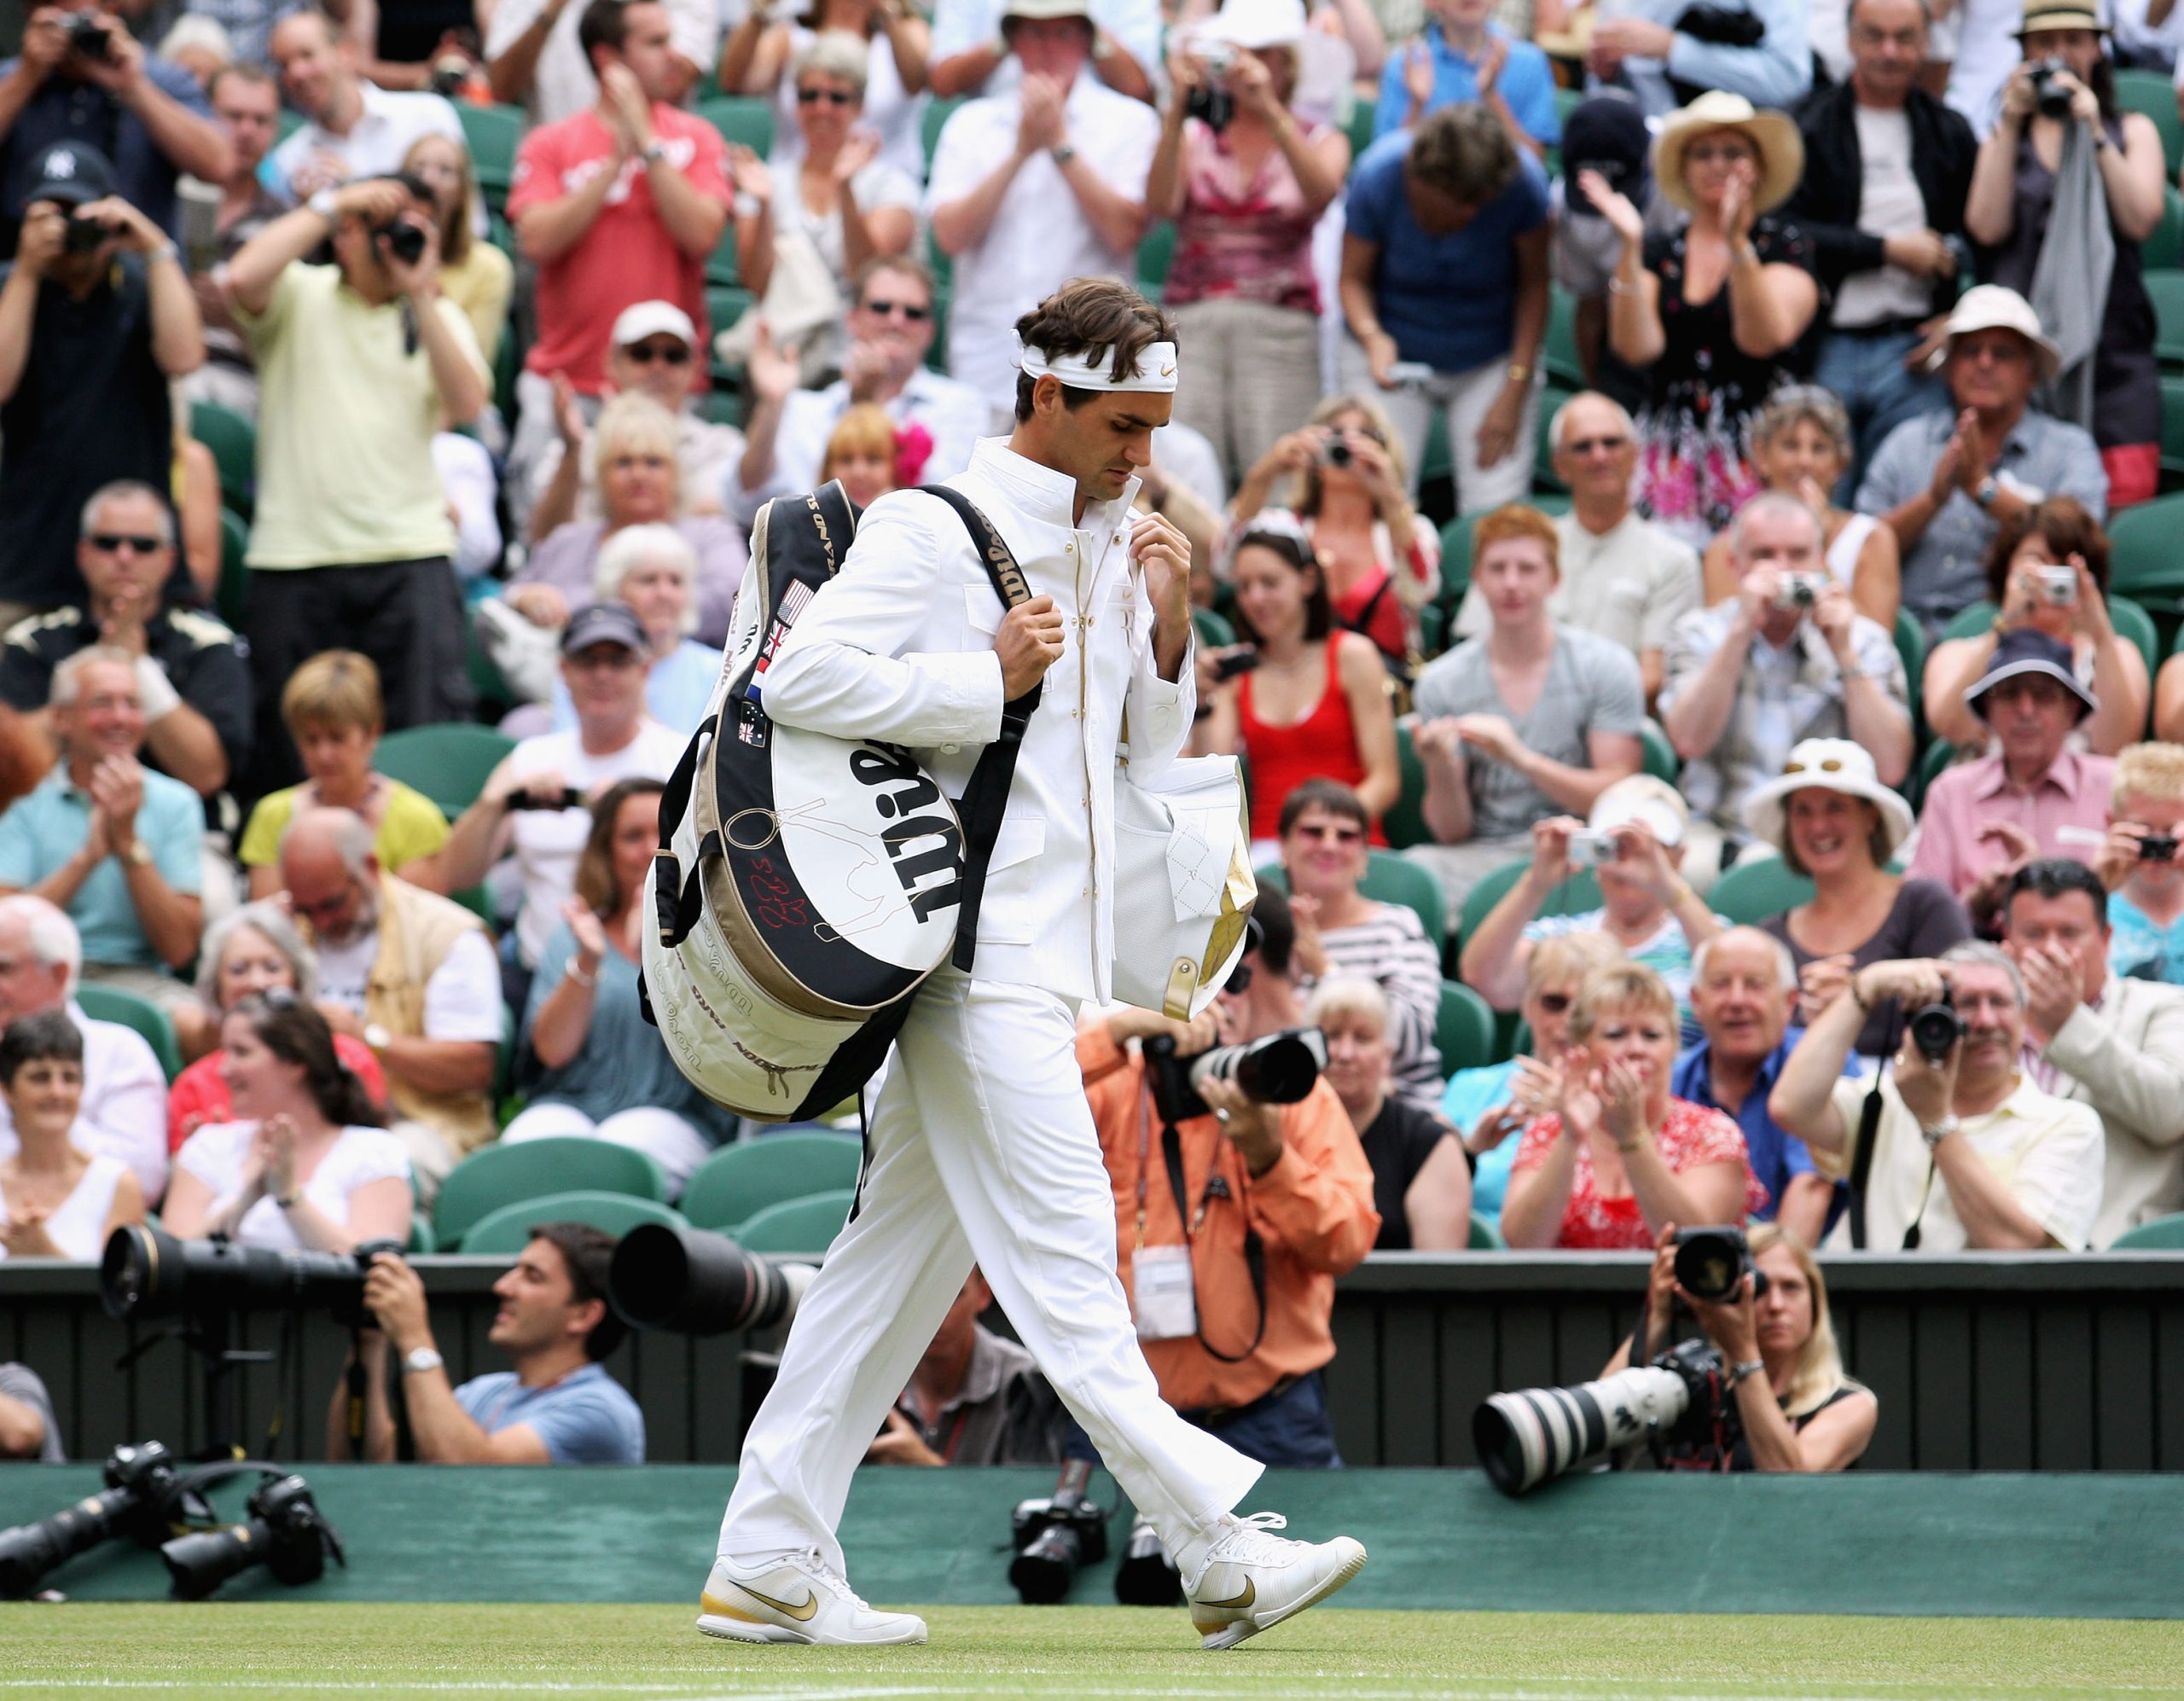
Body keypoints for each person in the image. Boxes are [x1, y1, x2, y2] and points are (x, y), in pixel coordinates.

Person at [706, 280, 1366, 1650]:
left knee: (887, 1272)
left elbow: (1130, 755)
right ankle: (1216, 1545)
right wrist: (980, 678)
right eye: (1123, 425)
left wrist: (1169, 635)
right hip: (958, 955)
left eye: (1159, 427)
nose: (1144, 455)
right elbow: (796, 679)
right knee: (1071, 1257)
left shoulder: (1122, 531)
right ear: (1045, 396)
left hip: (1039, 959)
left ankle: (769, 1552)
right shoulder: (927, 521)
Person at [1082, 891, 1380, 1467]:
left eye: (1235, 978)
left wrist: (1272, 1159)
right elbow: (1003, 1107)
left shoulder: (1293, 1094)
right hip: (1123, 1413)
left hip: (1273, 1418)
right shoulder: (1110, 1081)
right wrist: (1113, 1034)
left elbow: (1347, 1243)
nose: (1221, 999)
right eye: (1199, 977)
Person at [228, 172, 486, 795]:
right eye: (384, 227)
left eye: (415, 227)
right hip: (296, 555)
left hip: (409, 553)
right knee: (288, 750)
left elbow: (469, 401)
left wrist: (419, 292)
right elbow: (239, 278)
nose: (398, 239)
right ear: (345, 236)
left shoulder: (437, 313)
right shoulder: (299, 293)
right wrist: (333, 203)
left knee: (419, 737)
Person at [505, 0, 731, 495]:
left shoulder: (697, 138)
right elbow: (536, 239)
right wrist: (611, 164)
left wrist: (647, 144)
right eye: (655, 43)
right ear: (609, 58)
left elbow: (702, 234)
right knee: (549, 549)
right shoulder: (551, 142)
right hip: (566, 389)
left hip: (666, 386)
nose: (673, 55)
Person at [1589, 92, 1820, 548]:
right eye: (1703, 154)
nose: (1718, 164)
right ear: (1686, 170)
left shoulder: (1785, 244)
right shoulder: (1660, 250)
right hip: (1668, 444)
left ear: (1758, 166)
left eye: (1733, 153)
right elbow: (1636, 348)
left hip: (1756, 444)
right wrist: (1630, 248)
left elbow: (1764, 338)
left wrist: (1738, 245)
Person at [1769, 942, 2106, 1251]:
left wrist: (1935, 1121)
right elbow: (1791, 1107)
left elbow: (2015, 1246)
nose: (1986, 1021)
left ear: (2023, 1015)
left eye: (2000, 1002)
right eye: (1967, 1004)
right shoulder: (1885, 1100)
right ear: (1930, 1019)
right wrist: (1866, 988)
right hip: (1872, 1312)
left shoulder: (2066, 1124)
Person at [1966, 1, 2166, 509]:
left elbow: (2141, 218)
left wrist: (2096, 132)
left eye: (2074, 41)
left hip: (2115, 356)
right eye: (2045, 43)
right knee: (2034, 511)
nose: (2060, 55)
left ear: (2098, 48)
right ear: (2024, 53)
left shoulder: (2132, 129)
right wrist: (2011, 123)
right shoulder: (2004, 136)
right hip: (2027, 361)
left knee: (2121, 512)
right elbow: (1986, 227)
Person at [925, 0, 1161, 421]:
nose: (1047, 48)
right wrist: (1019, 153)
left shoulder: (1131, 122)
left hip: (1090, 354)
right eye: (1033, 33)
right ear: (1013, 42)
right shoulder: (970, 123)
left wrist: (1059, 144)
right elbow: (950, 236)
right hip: (987, 351)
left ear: (1088, 41)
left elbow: (1124, 231)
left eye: (1063, 33)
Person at [1407, 502, 1646, 918]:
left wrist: (1520, 758)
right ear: (1477, 579)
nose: (1511, 583)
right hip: (1483, 856)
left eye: (1527, 568)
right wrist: (1441, 768)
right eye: (1497, 568)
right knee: (1417, 871)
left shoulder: (1606, 666)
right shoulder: (1441, 683)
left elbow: (1616, 794)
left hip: (1581, 848)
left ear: (1555, 579)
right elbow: (1452, 832)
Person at [0, 144, 202, 634]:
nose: (69, 231)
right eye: (54, 214)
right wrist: (27, 269)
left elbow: (184, 358)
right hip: (29, 551)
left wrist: (156, 247)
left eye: (79, 213)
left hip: (131, 556)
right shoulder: (11, 287)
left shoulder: (143, 281)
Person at [1660, 493, 1913, 884]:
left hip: (1831, 830)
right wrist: (1741, 632)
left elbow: (1891, 766)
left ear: (1821, 562)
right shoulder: (1700, 633)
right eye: (1765, 555)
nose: (1783, 570)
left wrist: (1844, 656)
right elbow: (1688, 741)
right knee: (1686, 869)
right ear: (1734, 564)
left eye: (1798, 555)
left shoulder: (1862, 640)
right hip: (1721, 826)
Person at [1149, 0, 1349, 486]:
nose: (1249, 66)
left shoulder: (1321, 137)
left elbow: (1321, 195)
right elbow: (1159, 204)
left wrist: (1271, 111)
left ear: (1287, 64)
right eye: (1239, 53)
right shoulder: (1195, 135)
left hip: (1281, 326)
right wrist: (1177, 106)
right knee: (1192, 475)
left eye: (1264, 54)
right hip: (1192, 322)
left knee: (1283, 472)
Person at [439, 603, 683, 997]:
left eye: (617, 661)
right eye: (588, 661)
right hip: (539, 975)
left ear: (644, 670)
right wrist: (497, 802)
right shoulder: (530, 759)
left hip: (645, 977)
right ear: (564, 671)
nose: (602, 675)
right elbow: (457, 876)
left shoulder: (677, 759)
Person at [502, 780, 735, 1193]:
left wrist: (659, 948)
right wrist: (589, 960)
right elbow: (553, 1052)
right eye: (632, 837)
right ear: (605, 852)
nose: (649, 849)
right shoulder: (573, 936)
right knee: (528, 1148)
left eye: (662, 835)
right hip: (570, 1105)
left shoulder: (717, 937)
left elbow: (717, 1047)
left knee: (623, 1148)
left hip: (675, 1115)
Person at [1786, 0, 1975, 486]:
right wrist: (1885, 251)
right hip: (1828, 343)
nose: (1889, 52)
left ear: (1926, 43)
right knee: (1823, 500)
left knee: (1911, 492)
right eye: (1874, 36)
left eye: (1905, 37)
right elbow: (1787, 233)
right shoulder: (1807, 126)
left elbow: (1982, 238)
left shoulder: (1949, 132)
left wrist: (1962, 314)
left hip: (1915, 348)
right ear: (1849, 40)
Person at [1855, 284, 2107, 642]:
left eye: (2001, 354)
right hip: (1903, 635)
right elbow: (1858, 550)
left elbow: (2083, 546)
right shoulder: (1905, 442)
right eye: (1970, 351)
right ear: (1949, 366)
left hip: (2023, 637)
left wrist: (1983, 490)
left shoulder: (2069, 448)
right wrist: (1933, 500)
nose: (1984, 363)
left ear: (2030, 372)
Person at [1338, 103, 1548, 511]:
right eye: (1455, 200)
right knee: (1380, 494)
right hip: (1390, 348)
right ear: (1416, 177)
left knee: (1497, 505)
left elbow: (1535, 286)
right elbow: (1352, 280)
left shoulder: (1525, 185)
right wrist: (1373, 336)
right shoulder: (1378, 174)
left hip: (1491, 357)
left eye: (1479, 202)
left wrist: (1516, 386)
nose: (1468, 213)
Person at [278, 806, 499, 1194]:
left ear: (370, 866)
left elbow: (473, 1067)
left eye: (330, 904)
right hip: (298, 1116)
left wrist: (368, 1040)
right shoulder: (278, 929)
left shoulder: (448, 935)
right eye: (304, 909)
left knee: (385, 1165)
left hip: (419, 1122)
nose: (320, 922)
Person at [0, 480, 250, 801]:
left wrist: (141, 667)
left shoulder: (209, 643)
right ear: (83, 553)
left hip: (184, 836)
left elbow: (207, 773)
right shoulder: (33, 641)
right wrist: (97, 665)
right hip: (50, 830)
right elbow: (10, 764)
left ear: (170, 559)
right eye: (108, 543)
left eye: (143, 545)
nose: (124, 556)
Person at [1453, 391, 1699, 706]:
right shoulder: (1521, 551)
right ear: (1560, 466)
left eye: (1611, 443)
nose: (1599, 456)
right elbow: (1476, 651)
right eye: (1583, 446)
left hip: (1617, 730)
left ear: (1634, 454)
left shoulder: (1674, 559)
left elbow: (1653, 677)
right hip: (1513, 717)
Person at [1501, 960, 1766, 1250]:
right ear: (1581, 1048)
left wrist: (1631, 1137)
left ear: (1674, 1047)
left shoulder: (1711, 1133)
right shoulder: (1549, 1132)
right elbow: (1523, 1243)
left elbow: (1694, 1246)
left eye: (1651, 1035)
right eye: (1616, 1035)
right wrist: (1570, 1139)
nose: (1636, 1049)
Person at [331, 1227, 646, 1462]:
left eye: (532, 1277)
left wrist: (414, 1336)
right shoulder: (483, 1392)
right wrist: (370, 1342)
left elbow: (473, 1477)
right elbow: (374, 1462)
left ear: (584, 1315)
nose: (503, 1287)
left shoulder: (599, 1411)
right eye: (514, 1271)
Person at [1739, 738, 1971, 1058]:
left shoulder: (1923, 905)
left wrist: (1861, 997)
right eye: (1802, 812)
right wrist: (1803, 1018)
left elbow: (1970, 1006)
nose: (1818, 827)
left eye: (1836, 807)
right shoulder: (1769, 937)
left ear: (1871, 817)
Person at [0, 648, 202, 1013]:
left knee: (192, 1021)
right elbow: (5, 928)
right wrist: (87, 858)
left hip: (141, 979)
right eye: (102, 703)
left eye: (132, 704)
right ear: (62, 718)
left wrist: (128, 845)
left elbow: (179, 949)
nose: (120, 718)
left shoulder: (178, 803)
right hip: (33, 977)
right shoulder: (23, 796)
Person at [1998, 859, 2184, 1248]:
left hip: (2120, 1261)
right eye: (2034, 933)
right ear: (2007, 942)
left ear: (2106, 938)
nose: (2051, 949)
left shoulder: (2166, 1007)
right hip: (1994, 1253)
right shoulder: (1982, 1022)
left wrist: (2068, 1023)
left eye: (2070, 933)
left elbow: (2169, 1112)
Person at [1602, 1222, 1878, 1472]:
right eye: (1760, 1288)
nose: (1776, 1306)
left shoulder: (1850, 1405)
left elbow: (1789, 1483)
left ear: (1815, 1303)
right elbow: (1602, 1420)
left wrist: (1743, 1354)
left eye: (1791, 1287)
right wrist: (1656, 1316)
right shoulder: (1698, 1383)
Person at [1194, 516, 1397, 855]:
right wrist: (1202, 701)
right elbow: (1210, 776)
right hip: (1270, 853)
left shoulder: (1353, 655)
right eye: (1244, 587)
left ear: (1307, 581)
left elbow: (1385, 781)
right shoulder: (1238, 672)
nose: (1255, 598)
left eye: (1269, 583)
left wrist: (1320, 836)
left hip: (1348, 843)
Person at [1460, 775, 1722, 1025]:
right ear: (1593, 853)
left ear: (1679, 857)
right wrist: (1536, 882)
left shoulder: (1706, 933)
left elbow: (1728, 975)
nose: (1630, 859)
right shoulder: (1562, 937)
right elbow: (1487, 982)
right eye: (1614, 845)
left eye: (1651, 847)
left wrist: (1666, 884)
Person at [162, 992, 413, 1254]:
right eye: (225, 1052)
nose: (223, 1070)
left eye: (241, 1052)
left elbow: (377, 1271)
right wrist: (243, 1204)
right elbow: (173, 1265)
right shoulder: (208, 1146)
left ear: (295, 1062)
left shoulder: (374, 1151)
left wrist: (290, 1197)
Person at [730, 256, 987, 504]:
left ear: (930, 330)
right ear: (852, 320)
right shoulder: (804, 409)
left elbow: (937, 501)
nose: (897, 320)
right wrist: (772, 405)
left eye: (913, 312)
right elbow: (748, 498)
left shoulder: (962, 406)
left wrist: (867, 405)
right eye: (881, 307)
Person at [1907, 630, 2116, 920]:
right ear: (1988, 711)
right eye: (2008, 694)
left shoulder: (2113, 784)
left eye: (2043, 696)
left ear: (2072, 709)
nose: (2026, 710)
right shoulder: (1951, 791)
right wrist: (1976, 904)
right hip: (1977, 955)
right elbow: (1920, 917)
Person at [1920, 497, 2149, 758]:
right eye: (2036, 561)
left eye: (2063, 565)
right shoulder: (1959, 653)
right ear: (2008, 569)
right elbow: (1953, 729)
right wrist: (2004, 627)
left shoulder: (2118, 653)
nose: (2048, 576)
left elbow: (2116, 745)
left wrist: (2100, 635)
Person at [514, 393, 746, 649]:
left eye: (653, 462)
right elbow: (509, 596)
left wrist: (598, 609)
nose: (638, 475)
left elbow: (736, 604)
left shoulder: (711, 535)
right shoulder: (568, 540)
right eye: (623, 463)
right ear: (602, 475)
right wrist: (524, 599)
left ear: (676, 473)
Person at [1225, 393, 1438, 668]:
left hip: (1385, 688)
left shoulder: (1409, 531)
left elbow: (1422, 590)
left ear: (1385, 451)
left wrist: (1390, 495)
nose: (1348, 446)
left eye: (1365, 436)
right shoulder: (1285, 527)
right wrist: (1264, 474)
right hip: (1295, 687)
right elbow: (1226, 563)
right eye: (1335, 435)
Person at [0, 2, 230, 252]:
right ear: (31, 15)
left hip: (138, 274)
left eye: (86, 21)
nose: (74, 35)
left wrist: (133, 88)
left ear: (113, 12)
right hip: (20, 271)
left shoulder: (155, 78)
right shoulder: (11, 78)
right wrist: (26, 77)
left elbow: (219, 165)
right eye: (63, 22)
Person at [729, 31, 921, 316]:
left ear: (859, 106)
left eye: (837, 97)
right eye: (810, 95)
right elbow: (757, 285)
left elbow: (868, 282)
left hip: (859, 346)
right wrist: (766, 205)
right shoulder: (765, 183)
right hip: (783, 340)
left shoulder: (892, 185)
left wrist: (844, 189)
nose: (822, 108)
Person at [520, 300, 744, 543]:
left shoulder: (723, 446)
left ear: (695, 368)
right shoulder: (576, 447)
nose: (658, 366)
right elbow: (544, 540)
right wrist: (572, 452)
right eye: (642, 354)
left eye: (674, 356)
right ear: (611, 362)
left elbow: (726, 516)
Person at [169, 900, 388, 1147]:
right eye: (239, 970)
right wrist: (204, 1160)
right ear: (216, 987)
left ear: (296, 978)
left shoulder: (349, 1058)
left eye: (272, 967)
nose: (258, 982)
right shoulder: (193, 1087)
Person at [1280, 779, 1442, 1108]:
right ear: (1283, 848)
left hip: (1398, 1113)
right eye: (1313, 831)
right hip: (1291, 1110)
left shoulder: (1397, 926)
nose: (1329, 845)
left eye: (1346, 836)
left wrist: (1325, 972)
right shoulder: (1264, 935)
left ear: (1365, 857)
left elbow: (1411, 1035)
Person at [1441, 932, 1622, 1228]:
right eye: (1555, 1002)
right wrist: (1468, 1155)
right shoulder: (1472, 1088)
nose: (1569, 1021)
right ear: (1527, 1004)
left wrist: (1563, 1126)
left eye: (1587, 1009)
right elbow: (1422, 1201)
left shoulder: (1626, 1106)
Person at [239, 651, 450, 901]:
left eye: (338, 738)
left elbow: (414, 929)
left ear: (372, 734)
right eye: (311, 739)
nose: (324, 754)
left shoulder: (418, 820)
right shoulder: (271, 815)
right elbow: (268, 925)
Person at [1673, 929, 1836, 1245]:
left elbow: (1815, 1185)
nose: (1737, 1000)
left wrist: (1771, 1277)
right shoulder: (1672, 1081)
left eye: (1755, 985)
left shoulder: (1822, 1066)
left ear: (1789, 1002)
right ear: (1696, 1001)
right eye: (1720, 985)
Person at [0, 894, 166, 1202]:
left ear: (58, 974)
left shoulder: (120, 1052)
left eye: (4, 970)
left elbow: (144, 1180)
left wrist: (50, 1110)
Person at [1699, 388, 1902, 632]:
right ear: (1762, 455)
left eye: (1819, 449)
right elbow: (1715, 641)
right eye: (1790, 446)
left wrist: (1817, 552)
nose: (1805, 461)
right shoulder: (1727, 547)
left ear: (1840, 464)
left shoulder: (1872, 538)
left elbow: (1877, 648)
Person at [1307, 974, 1472, 1250]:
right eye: (1332, 1036)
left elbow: (1441, 1281)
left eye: (1362, 1038)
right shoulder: (1279, 1131)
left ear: (1387, 1054)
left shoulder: (1430, 1144)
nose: (1345, 1053)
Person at [512, 525, 717, 740]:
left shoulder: (719, 670)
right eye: (648, 580)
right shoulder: (586, 664)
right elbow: (573, 747)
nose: (664, 593)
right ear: (614, 590)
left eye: (676, 581)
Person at [864, 1268, 1069, 1466]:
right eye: (917, 1293)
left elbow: (1028, 1497)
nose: (934, 1315)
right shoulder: (863, 1379)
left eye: (953, 1294)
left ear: (984, 1295)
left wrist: (924, 1467)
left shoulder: (1030, 1383)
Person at [264, 10, 465, 206]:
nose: (296, 73)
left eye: (307, 55)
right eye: (283, 65)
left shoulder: (427, 115)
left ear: (345, 53)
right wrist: (312, 210)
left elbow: (468, 223)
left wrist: (353, 190)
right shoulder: (290, 161)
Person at [721, 0, 930, 185]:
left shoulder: (909, 30)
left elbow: (918, 82)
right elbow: (736, 84)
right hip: (795, 193)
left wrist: (888, 13)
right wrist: (761, 10)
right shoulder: (787, 36)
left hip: (885, 196)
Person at [0, 1007, 144, 1260]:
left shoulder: (118, 1184)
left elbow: (119, 1293)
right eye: (40, 1078)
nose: (57, 1092)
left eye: (69, 1078)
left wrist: (43, 1254)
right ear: (7, 1089)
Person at [487, 0, 716, 123]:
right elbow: (501, 88)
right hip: (558, 169)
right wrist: (552, 8)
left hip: (655, 162)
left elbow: (676, 82)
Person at [1374, 0, 1559, 153]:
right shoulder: (1406, 63)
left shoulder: (1530, 62)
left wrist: (1491, 97)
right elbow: (1383, 164)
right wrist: (1417, 105)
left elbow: (1535, 161)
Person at [1583, 0, 1814, 120]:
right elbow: (1606, 88)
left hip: (1734, 161)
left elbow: (1788, 79)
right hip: (1645, 163)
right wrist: (1608, 74)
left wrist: (1673, 48)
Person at [403, 131, 512, 364]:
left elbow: (476, 366)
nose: (429, 180)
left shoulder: (489, 267)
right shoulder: (379, 256)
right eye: (418, 168)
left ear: (463, 191)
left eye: (445, 171)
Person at [928, 0, 1159, 102]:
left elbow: (1138, 86)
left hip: (1101, 133)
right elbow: (943, 82)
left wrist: (1070, 16)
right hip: (996, 129)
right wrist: (1015, 26)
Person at [2101, 740, 2184, 986]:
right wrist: (2096, 887)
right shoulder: (2096, 907)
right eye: (2143, 833)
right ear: (2111, 823)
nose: (2157, 849)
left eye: (2170, 834)